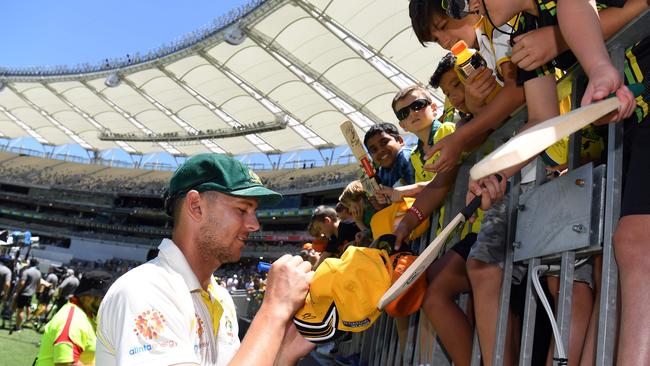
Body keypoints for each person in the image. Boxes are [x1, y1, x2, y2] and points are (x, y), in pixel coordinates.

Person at [96, 153, 314, 365]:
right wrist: (274, 311)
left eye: (253, 211)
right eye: (242, 209)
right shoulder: (144, 291)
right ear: (196, 206)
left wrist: (283, 355)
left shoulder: (220, 298)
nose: (254, 224)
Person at [34, 270, 113, 366]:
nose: (109, 303)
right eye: (104, 298)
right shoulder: (73, 321)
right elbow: (66, 363)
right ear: (88, 297)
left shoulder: (87, 316)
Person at [362, 122, 415, 188]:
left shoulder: (409, 157)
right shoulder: (381, 172)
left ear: (399, 141)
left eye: (384, 142)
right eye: (374, 150)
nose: (380, 150)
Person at [308, 205, 360, 269]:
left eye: (319, 228)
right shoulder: (333, 238)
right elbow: (319, 263)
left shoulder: (351, 228)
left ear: (327, 221)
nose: (321, 233)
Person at [12, 258, 41, 332]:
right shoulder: (38, 273)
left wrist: (17, 292)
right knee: (27, 307)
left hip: (23, 293)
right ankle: (27, 319)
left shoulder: (27, 271)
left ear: (30, 263)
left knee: (20, 310)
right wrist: (35, 291)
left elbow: (22, 283)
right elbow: (39, 284)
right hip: (30, 294)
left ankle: (17, 327)